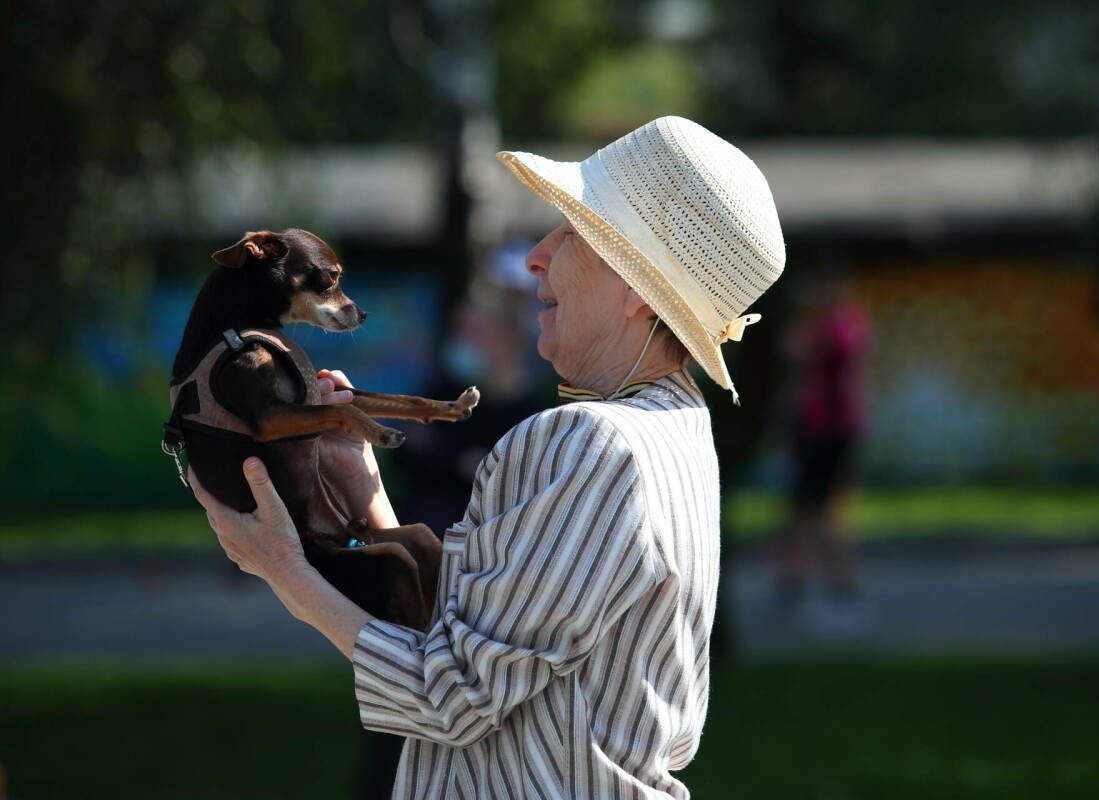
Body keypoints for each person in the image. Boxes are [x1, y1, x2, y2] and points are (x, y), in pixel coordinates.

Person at [190, 116, 786, 798]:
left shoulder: (591, 442)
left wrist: (281, 567)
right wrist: (365, 485)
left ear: (636, 293)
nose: (536, 255)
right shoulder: (677, 425)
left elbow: (450, 694)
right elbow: (481, 632)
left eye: (571, 234)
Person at [778, 267, 870, 632]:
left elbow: (807, 350)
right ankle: (796, 583)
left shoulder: (841, 326)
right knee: (802, 511)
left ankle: (841, 588)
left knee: (827, 513)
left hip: (832, 432)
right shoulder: (824, 325)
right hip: (812, 430)